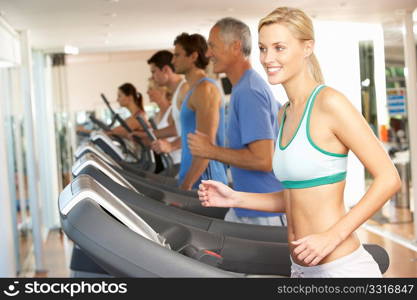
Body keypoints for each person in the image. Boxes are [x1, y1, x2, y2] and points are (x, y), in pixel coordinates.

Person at [198, 7, 401, 278]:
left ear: (307, 48)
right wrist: (236, 197)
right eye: (263, 48)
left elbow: (389, 178)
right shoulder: (285, 112)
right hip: (301, 270)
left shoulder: (329, 103)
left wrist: (333, 236)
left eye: (279, 48)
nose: (268, 58)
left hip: (341, 268)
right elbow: (295, 198)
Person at [188, 17, 285, 226]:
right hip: (246, 206)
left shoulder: (249, 91)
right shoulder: (243, 88)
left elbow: (263, 160)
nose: (208, 54)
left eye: (212, 46)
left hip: (262, 213)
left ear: (235, 47)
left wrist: (210, 151)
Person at [170, 32, 228, 190]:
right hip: (192, 177)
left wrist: (186, 185)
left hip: (206, 181)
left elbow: (206, 146)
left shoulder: (205, 89)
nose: (173, 60)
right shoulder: (192, 90)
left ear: (193, 56)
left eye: (177, 55)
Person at [132, 51, 189, 157]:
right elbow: (178, 128)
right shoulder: (178, 93)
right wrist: (145, 135)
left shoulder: (185, 90)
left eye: (154, 72)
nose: (153, 77)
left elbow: (195, 130)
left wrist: (171, 146)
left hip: (186, 160)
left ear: (166, 70)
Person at [146, 78, 181, 168]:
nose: (147, 92)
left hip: (179, 162)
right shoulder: (155, 115)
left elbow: (176, 130)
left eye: (150, 89)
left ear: (161, 90)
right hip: (167, 164)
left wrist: (149, 134)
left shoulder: (172, 111)